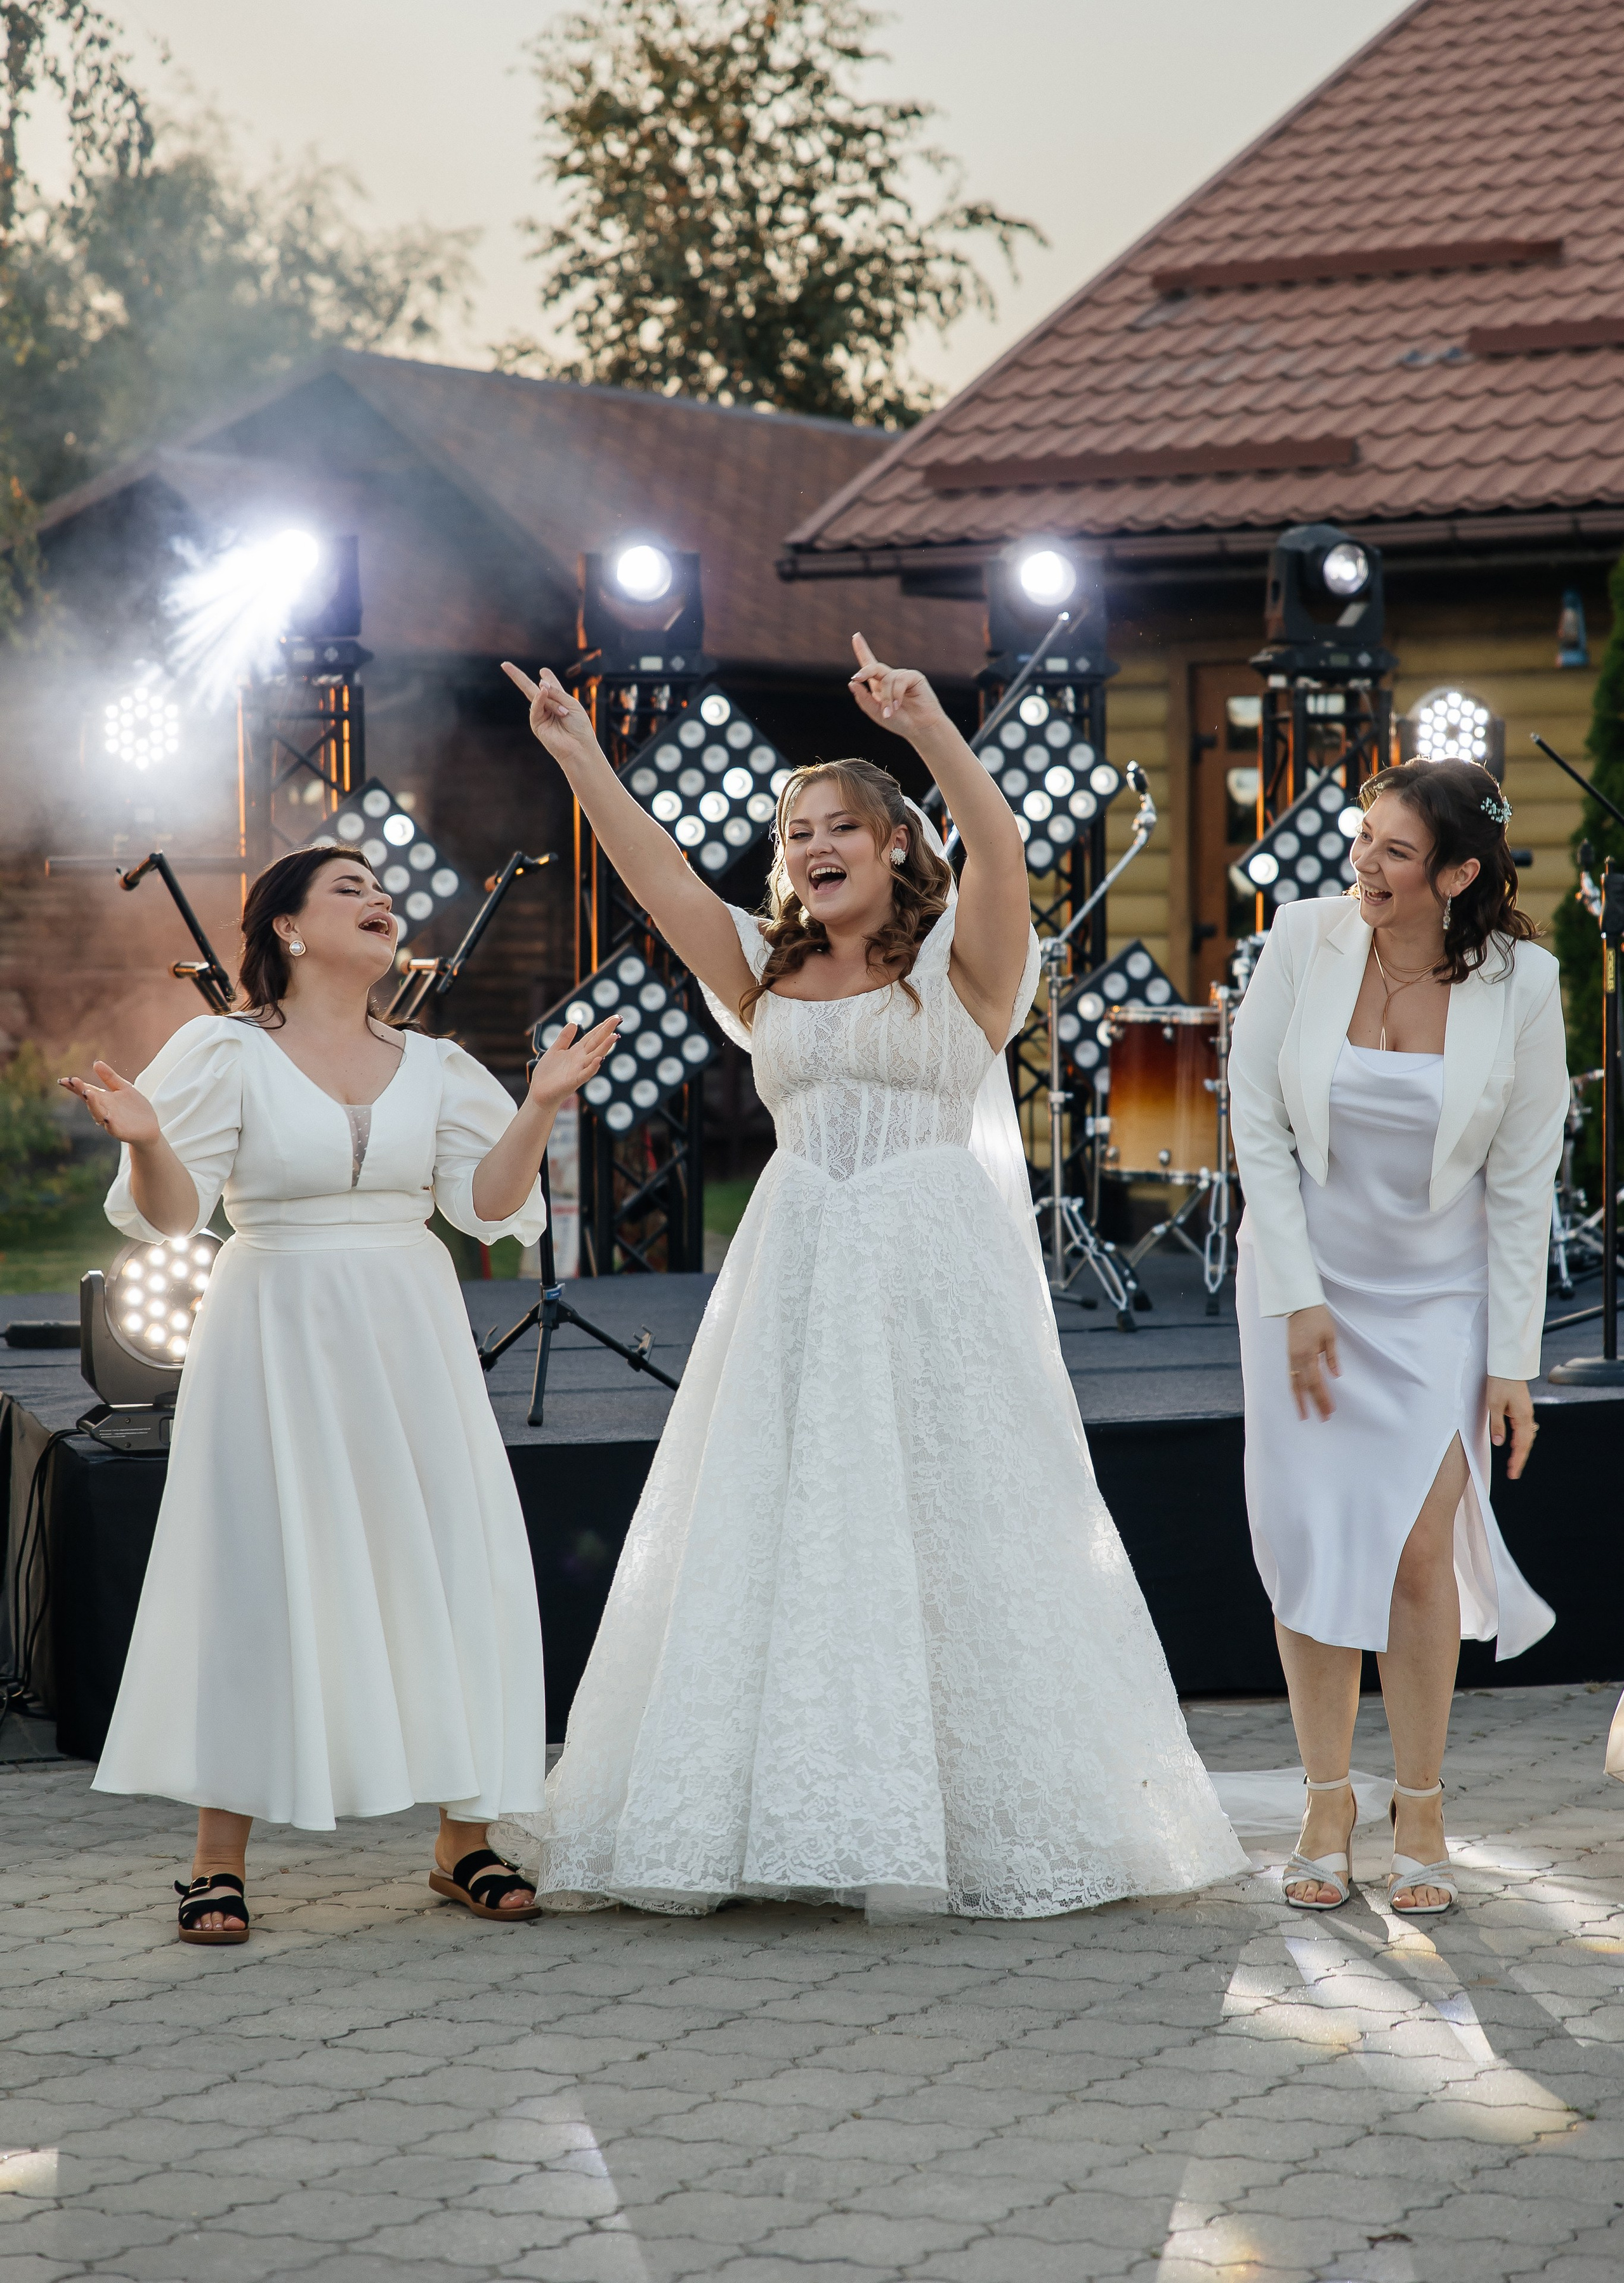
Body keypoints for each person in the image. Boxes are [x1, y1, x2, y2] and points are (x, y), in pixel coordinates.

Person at [492, 641, 1245, 1920]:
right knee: (783, 1521)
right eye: (795, 834)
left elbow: (1000, 847)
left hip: (928, 1272)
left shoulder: (961, 964)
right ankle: (775, 1806)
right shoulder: (764, 970)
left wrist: (928, 727)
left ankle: (958, 1805)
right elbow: (661, 876)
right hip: (793, 1270)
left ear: (897, 845)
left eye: (841, 826)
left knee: (949, 1521)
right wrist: (577, 756)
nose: (813, 847)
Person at [62, 842, 615, 1942]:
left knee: (451, 1551)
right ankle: (216, 1860)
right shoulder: (224, 1050)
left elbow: (484, 1205)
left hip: (410, 1326)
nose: (381, 900)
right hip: (274, 1324)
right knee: (261, 1566)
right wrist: (148, 1143)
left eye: (383, 891)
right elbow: (173, 1217)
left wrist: (541, 1106)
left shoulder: (438, 1064)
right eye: (349, 889)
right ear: (288, 928)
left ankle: (465, 1842)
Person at [1228, 758, 1568, 1916]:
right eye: (1363, 837)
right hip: (1301, 1285)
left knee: (1420, 1553)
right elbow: (1256, 1121)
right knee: (1313, 1536)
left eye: (1396, 851)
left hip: (1438, 1300)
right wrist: (1297, 1295)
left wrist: (1511, 1361)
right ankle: (1327, 1802)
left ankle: (1419, 1805)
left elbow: (1522, 1184)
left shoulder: (1525, 984)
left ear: (1460, 874)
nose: (1364, 863)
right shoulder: (1302, 938)